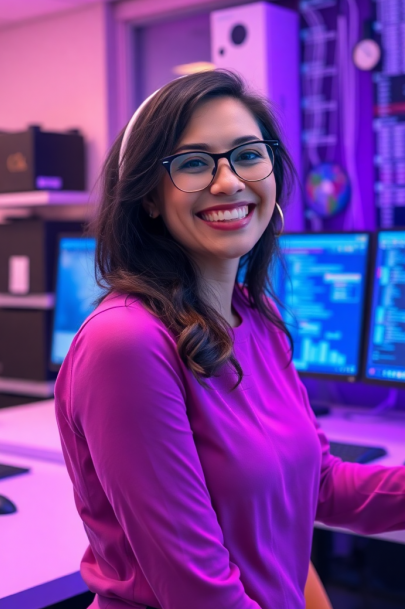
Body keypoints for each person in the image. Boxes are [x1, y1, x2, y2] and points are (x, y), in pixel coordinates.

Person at [55, 70, 405, 609]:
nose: (228, 182)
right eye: (194, 163)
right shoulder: (125, 343)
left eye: (247, 154)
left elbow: (322, 486)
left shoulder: (256, 318)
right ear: (147, 196)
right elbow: (200, 594)